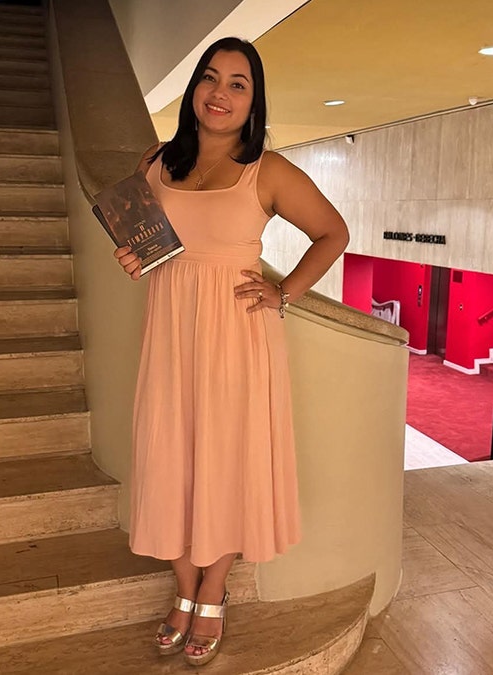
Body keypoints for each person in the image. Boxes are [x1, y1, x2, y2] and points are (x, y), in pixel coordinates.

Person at [112, 36, 349, 666]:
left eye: (237, 84)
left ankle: (212, 590)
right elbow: (146, 244)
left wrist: (285, 292)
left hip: (238, 337)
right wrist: (132, 259)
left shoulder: (266, 170)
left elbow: (333, 232)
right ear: (194, 88)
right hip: (169, 333)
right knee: (169, 453)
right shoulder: (153, 162)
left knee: (224, 458)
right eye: (210, 78)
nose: (220, 93)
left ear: (253, 100)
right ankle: (183, 587)